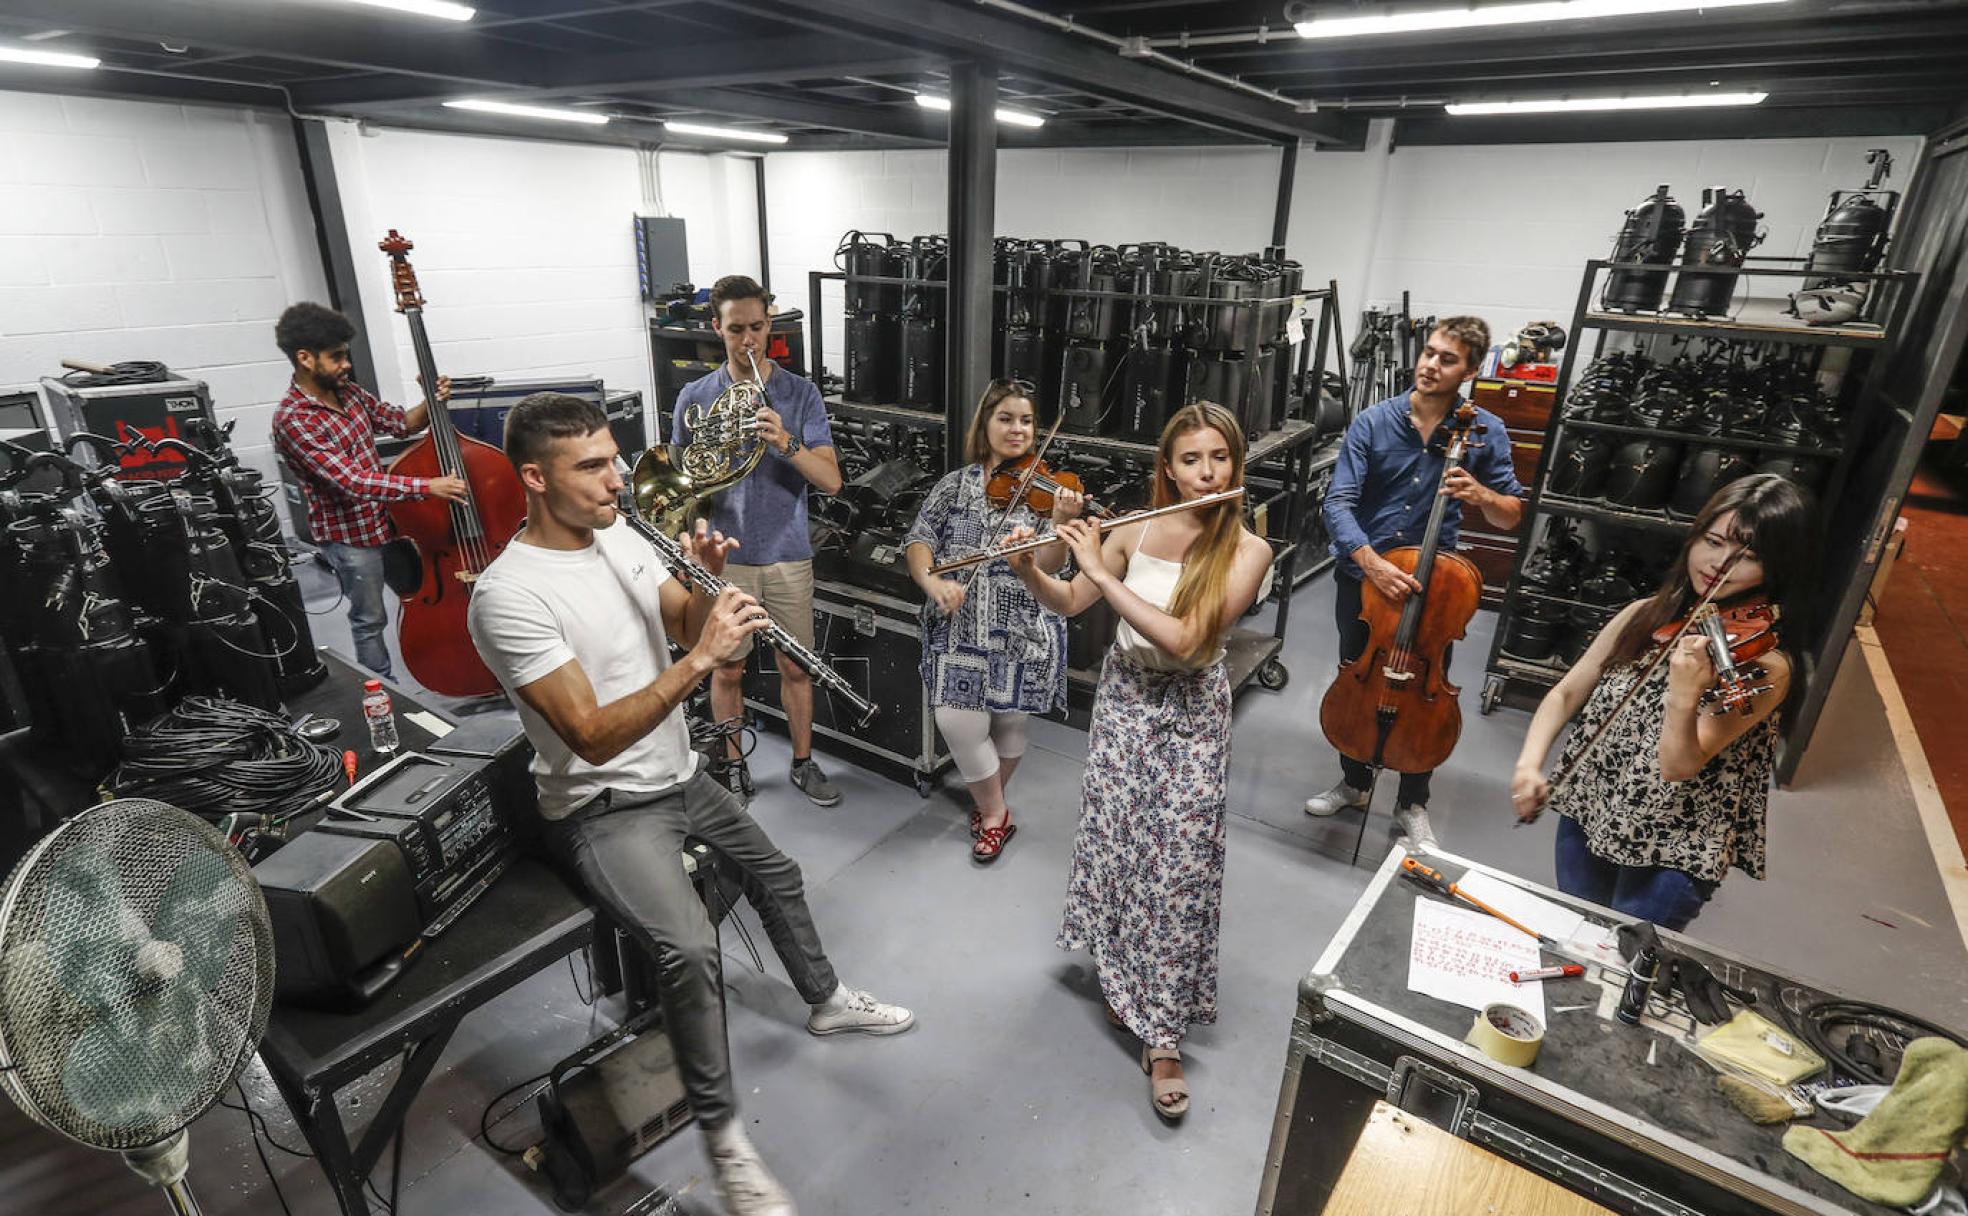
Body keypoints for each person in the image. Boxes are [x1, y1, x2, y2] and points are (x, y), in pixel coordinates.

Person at [466, 393, 913, 1216]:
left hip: (677, 776)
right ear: (534, 477)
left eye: (613, 457)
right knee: (689, 948)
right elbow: (593, 736)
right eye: (592, 466)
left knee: (775, 871)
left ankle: (824, 1001)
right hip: (602, 805)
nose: (615, 479)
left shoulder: (625, 538)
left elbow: (684, 618)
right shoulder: (508, 595)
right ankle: (725, 1142)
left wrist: (709, 600)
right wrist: (703, 661)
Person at [1007, 401, 1272, 1122]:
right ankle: (1125, 980)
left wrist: (1099, 562)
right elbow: (1067, 601)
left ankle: (1164, 1037)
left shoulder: (1249, 551)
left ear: (1235, 463)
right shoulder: (1137, 526)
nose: (1205, 472)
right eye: (1191, 459)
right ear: (1168, 465)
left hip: (1190, 707)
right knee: (1119, 844)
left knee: (1178, 862)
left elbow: (1187, 640)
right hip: (1125, 700)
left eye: (1218, 457)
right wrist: (1032, 564)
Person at [1510, 474, 1811, 932]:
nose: (1720, 564)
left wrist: (1686, 693)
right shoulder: (1644, 614)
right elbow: (1567, 692)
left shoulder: (1765, 666)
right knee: (1577, 938)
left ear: (1779, 567)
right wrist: (1530, 765)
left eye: (1747, 555)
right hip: (1592, 810)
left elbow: (1678, 765)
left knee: (1623, 966)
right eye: (1712, 541)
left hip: (1672, 848)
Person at [1304, 316, 1524, 847]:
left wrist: (1481, 495)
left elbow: (1511, 514)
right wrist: (1374, 564)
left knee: (1425, 688)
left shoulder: (1485, 431)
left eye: (1447, 359)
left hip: (1435, 586)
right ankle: (1354, 782)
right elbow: (1338, 502)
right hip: (1365, 579)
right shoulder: (1374, 422)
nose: (1430, 365)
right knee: (1356, 675)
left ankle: (1412, 801)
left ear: (1470, 370)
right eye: (1429, 353)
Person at [672, 275, 845, 807]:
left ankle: (802, 762)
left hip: (788, 553)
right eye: (736, 329)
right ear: (716, 329)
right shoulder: (695, 397)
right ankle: (732, 765)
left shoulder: (800, 394)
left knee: (797, 666)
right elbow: (681, 481)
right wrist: (687, 547)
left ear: (770, 324)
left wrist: (786, 441)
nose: (748, 340)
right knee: (727, 667)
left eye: (757, 328)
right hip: (726, 558)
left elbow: (832, 481)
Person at [902, 380, 1083, 862]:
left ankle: (990, 809)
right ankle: (997, 813)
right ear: (985, 423)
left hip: (1021, 629)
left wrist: (1062, 529)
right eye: (1006, 418)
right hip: (959, 628)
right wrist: (932, 582)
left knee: (1009, 726)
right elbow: (919, 538)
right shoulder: (955, 484)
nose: (1018, 429)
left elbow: (1049, 565)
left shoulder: (1047, 492)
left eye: (1026, 420)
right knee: (957, 723)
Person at [272, 301, 469, 679]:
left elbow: (400, 424)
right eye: (337, 357)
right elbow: (352, 481)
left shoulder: (349, 393)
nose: (347, 365)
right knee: (369, 618)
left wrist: (432, 400)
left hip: (389, 522)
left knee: (421, 597)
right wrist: (428, 486)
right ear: (305, 358)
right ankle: (383, 689)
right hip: (350, 538)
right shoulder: (293, 419)